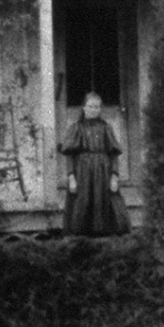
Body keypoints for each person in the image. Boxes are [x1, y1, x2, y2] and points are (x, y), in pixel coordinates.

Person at [59, 92, 131, 237]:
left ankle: (104, 239)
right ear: (84, 107)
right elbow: (70, 155)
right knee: (82, 204)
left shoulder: (106, 128)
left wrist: (114, 176)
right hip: (82, 173)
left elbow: (113, 154)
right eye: (90, 106)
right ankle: (82, 240)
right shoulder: (76, 128)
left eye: (97, 107)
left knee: (105, 204)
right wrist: (71, 177)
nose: (94, 110)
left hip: (103, 173)